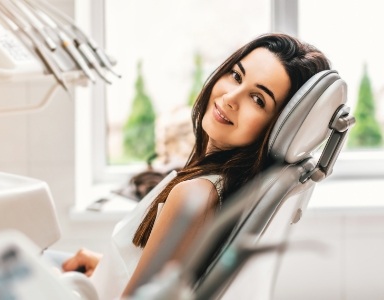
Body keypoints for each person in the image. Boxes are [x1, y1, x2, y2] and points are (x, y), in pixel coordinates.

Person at [61, 33, 331, 299]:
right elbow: (170, 282)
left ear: (276, 128)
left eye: (258, 99)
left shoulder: (195, 195)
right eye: (236, 76)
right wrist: (104, 268)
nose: (230, 98)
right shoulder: (224, 188)